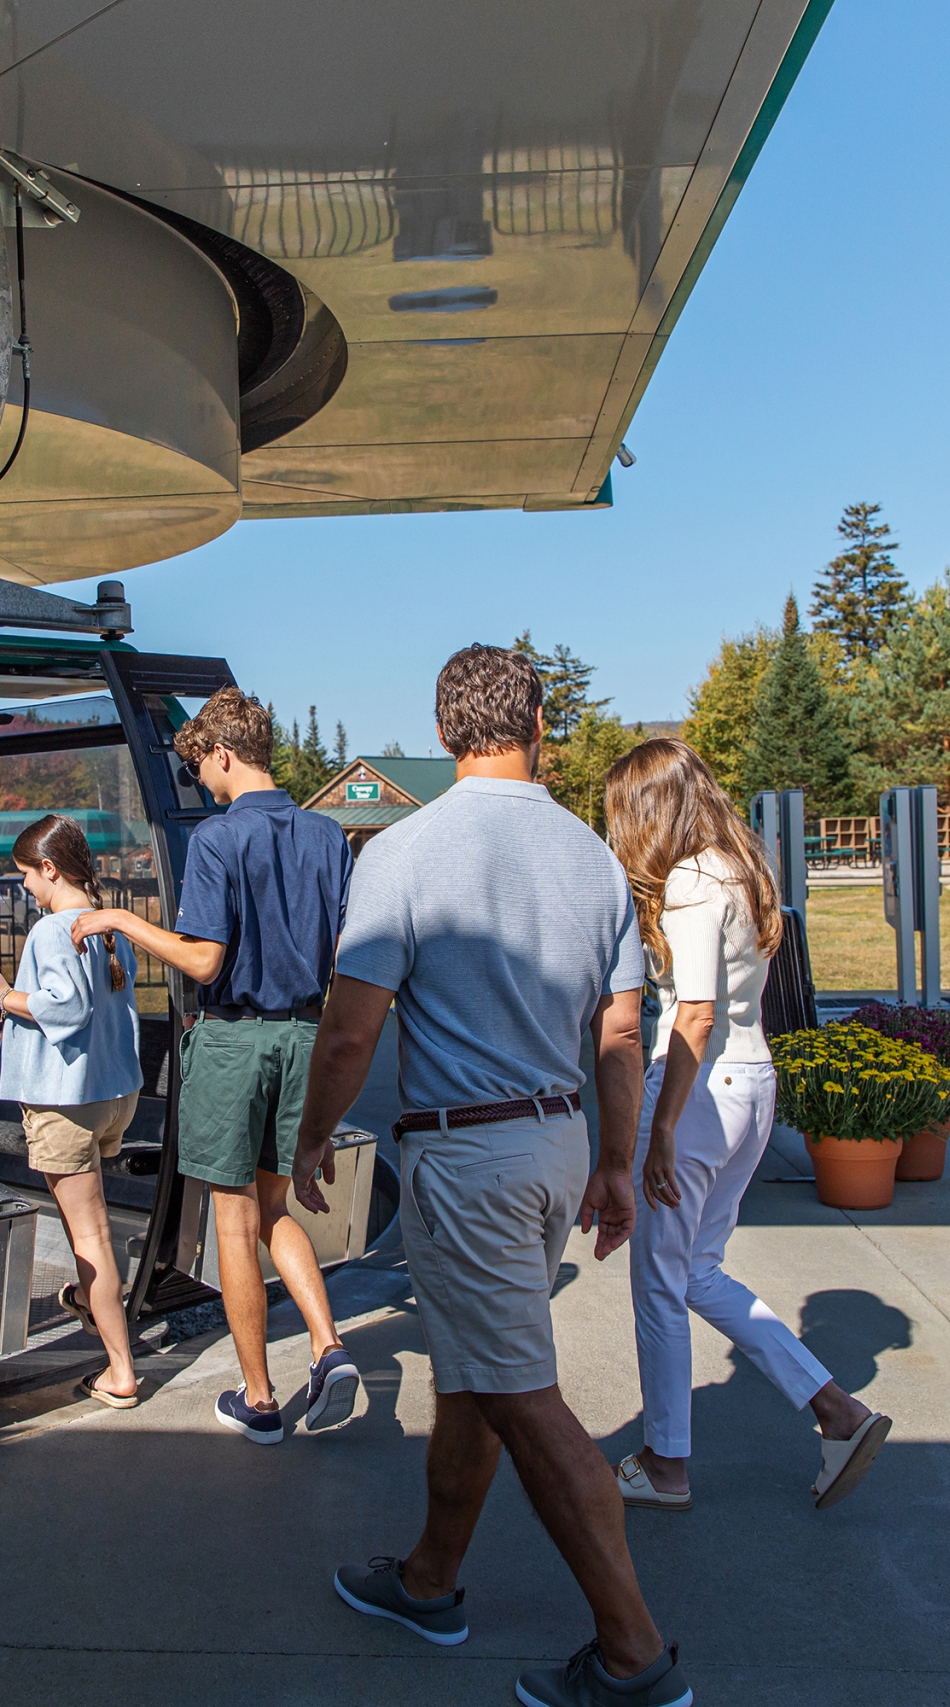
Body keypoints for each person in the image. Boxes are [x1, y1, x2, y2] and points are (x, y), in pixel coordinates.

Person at [293, 644, 689, 1707]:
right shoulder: (592, 859)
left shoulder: (405, 851)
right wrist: (611, 1160)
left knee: (521, 1396)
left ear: (441, 730)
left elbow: (349, 1030)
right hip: (555, 1140)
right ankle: (429, 1580)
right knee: (472, 1374)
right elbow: (619, 1028)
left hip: (469, 1154)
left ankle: (632, 1655)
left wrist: (311, 1135)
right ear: (537, 722)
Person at [603, 739, 889, 1513]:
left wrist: (659, 1128)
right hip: (753, 1080)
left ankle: (665, 1462)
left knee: (660, 1284)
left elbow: (692, 1009)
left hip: (700, 1092)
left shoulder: (692, 881)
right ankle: (837, 1409)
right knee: (699, 1271)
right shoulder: (743, 868)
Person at [66, 687, 358, 1443]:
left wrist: (124, 919)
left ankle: (259, 1399)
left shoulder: (218, 840)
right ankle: (329, 1347)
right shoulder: (328, 837)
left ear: (222, 754)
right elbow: (339, 958)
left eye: (200, 769)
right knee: (274, 1211)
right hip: (304, 1034)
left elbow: (204, 959)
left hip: (235, 1040)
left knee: (234, 1222)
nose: (201, 782)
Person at [0, 815, 144, 1410]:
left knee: (91, 1238)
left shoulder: (50, 931)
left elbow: (65, 1011)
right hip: (113, 1096)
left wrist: (1, 995)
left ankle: (121, 1371)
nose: (23, 890)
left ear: (50, 869)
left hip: (65, 1103)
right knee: (85, 1230)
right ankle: (93, 1300)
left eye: (25, 877)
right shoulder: (106, 926)